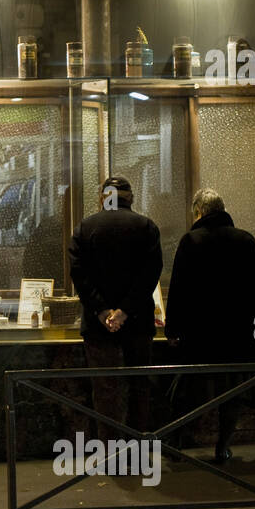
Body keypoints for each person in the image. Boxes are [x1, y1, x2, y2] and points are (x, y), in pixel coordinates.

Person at [165, 189, 255, 464]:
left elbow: (178, 290)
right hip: (238, 334)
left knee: (189, 388)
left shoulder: (191, 241)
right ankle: (223, 446)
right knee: (232, 392)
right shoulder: (245, 240)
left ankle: (176, 443)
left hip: (199, 333)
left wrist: (172, 330)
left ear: (199, 212)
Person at [67, 175, 162, 438]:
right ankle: (136, 448)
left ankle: (110, 451)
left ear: (103, 197)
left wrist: (101, 311)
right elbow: (150, 274)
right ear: (130, 197)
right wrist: (125, 311)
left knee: (105, 388)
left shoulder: (85, 227)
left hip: (98, 326)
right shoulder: (146, 227)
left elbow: (78, 274)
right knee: (139, 387)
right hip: (138, 321)